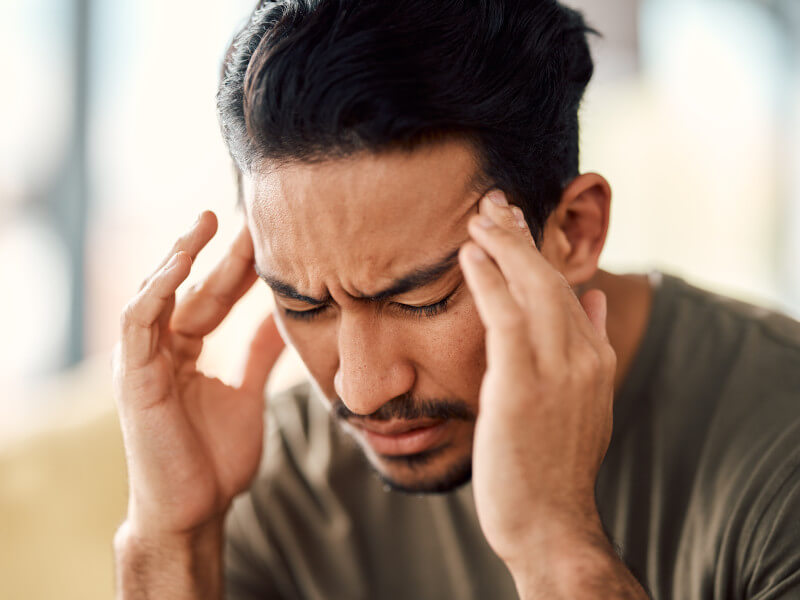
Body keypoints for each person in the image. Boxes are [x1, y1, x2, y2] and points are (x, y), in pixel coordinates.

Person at [111, 0, 800, 598]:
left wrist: (556, 547)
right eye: (304, 305)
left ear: (574, 230)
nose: (363, 389)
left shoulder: (780, 442)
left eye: (422, 299)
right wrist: (171, 538)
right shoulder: (277, 476)